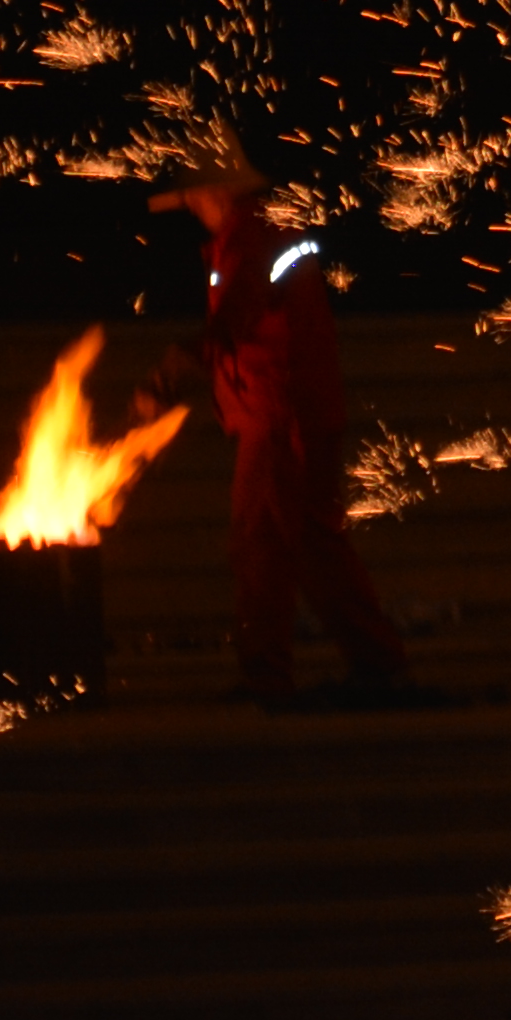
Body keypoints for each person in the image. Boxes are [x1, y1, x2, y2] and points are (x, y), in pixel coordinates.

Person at [155, 148, 419, 705]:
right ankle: (379, 663)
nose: (193, 208)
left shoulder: (249, 239)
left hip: (279, 417)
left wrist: (176, 366)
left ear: (215, 193)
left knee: (260, 546)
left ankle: (268, 679)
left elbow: (239, 316)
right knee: (315, 544)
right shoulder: (260, 234)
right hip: (298, 410)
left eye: (195, 198)